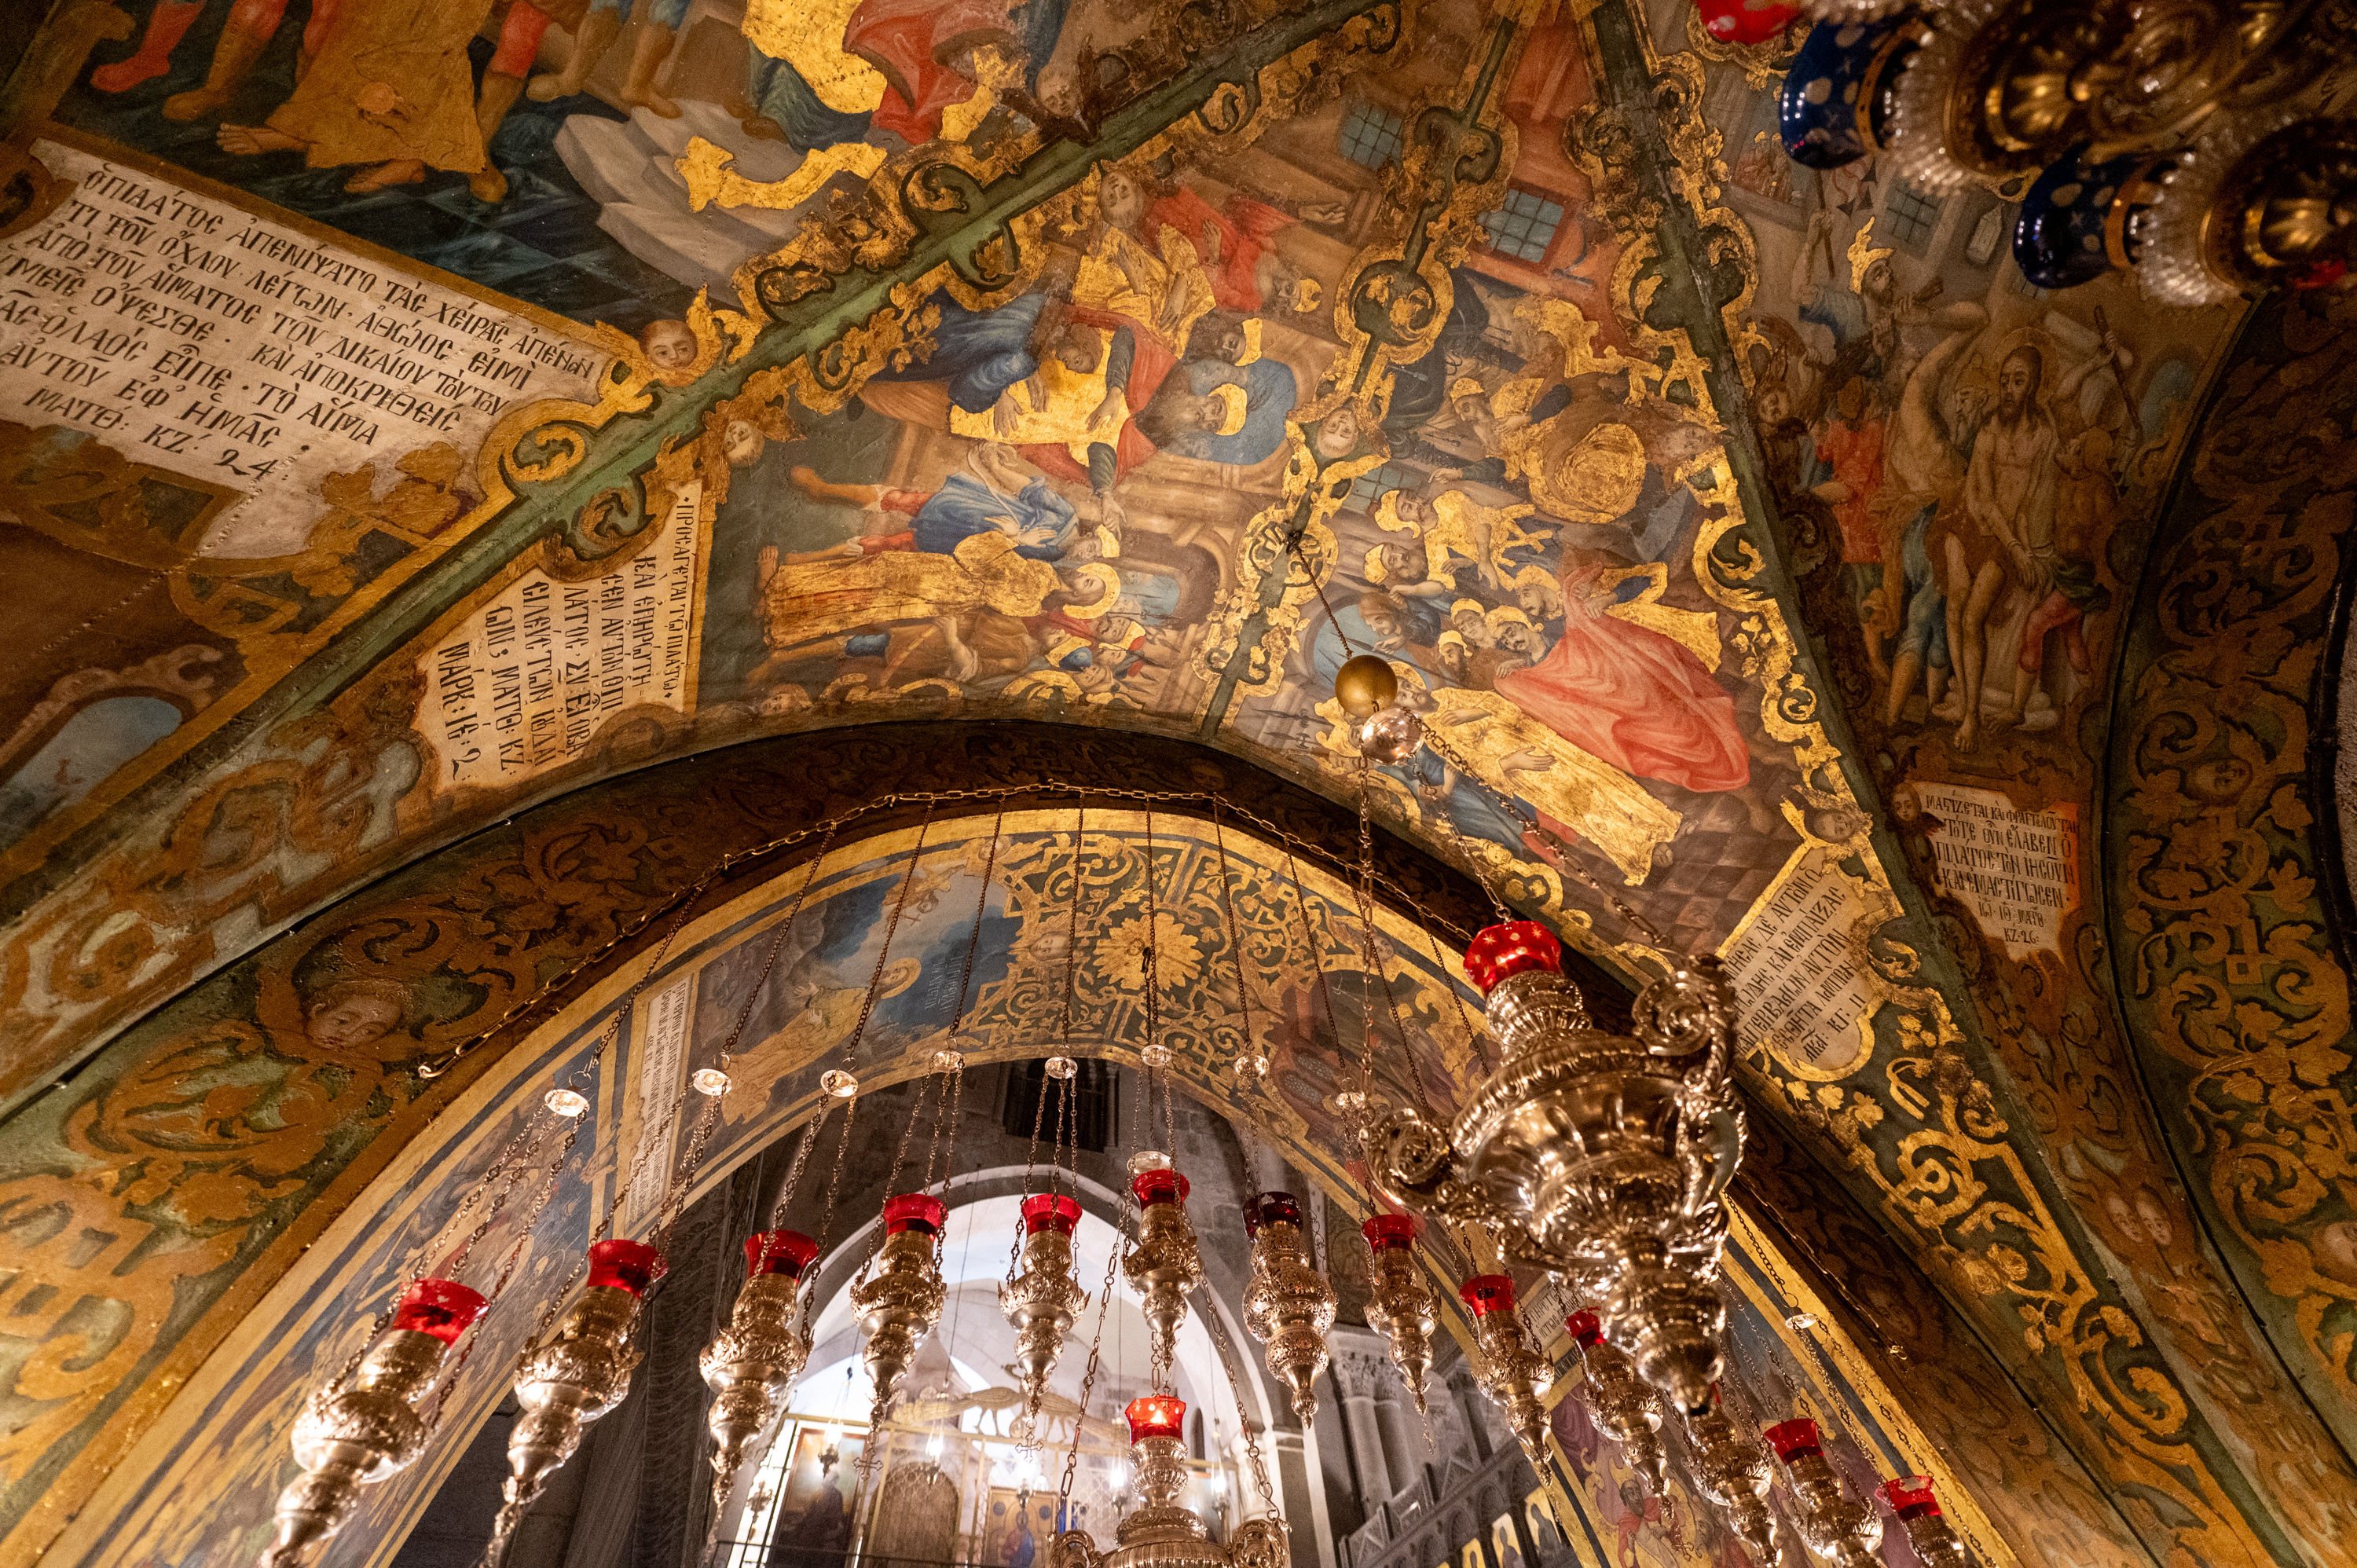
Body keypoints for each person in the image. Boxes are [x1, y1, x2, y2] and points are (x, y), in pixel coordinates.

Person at [1494, 560, 1747, 797]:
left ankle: (1725, 759)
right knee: (1658, 739)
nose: (1523, 602)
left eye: (1525, 593)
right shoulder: (1547, 631)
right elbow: (1559, 666)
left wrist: (1607, 597)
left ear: (1540, 582)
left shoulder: (1576, 591)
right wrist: (1521, 665)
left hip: (1642, 664)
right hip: (1617, 695)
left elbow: (1648, 578)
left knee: (1682, 724)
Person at [1948, 343, 2059, 747]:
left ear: (2033, 387)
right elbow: (1981, 499)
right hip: (1973, 525)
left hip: (2008, 537)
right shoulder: (1988, 432)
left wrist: (2027, 550)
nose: (2009, 389)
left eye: (2019, 381)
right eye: (2005, 379)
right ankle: (1966, 709)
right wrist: (2015, 546)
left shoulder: (2042, 437)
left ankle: (1972, 716)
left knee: (1974, 614)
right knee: (1957, 602)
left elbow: (2031, 501)